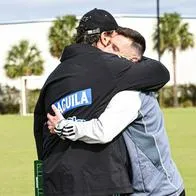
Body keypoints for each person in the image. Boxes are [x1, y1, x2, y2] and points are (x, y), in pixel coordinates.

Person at [34, 8, 169, 196]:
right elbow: (160, 73)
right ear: (105, 38)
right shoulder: (111, 67)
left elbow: (39, 131)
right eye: (114, 44)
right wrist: (132, 57)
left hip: (55, 182)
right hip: (99, 181)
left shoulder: (53, 77)